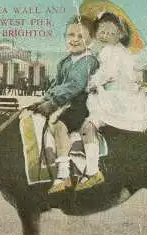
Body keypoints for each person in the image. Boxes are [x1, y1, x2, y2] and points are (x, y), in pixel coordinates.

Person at [75, 11, 147, 191]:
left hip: (116, 101)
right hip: (129, 99)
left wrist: (90, 83)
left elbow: (107, 74)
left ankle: (91, 171)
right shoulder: (122, 52)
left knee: (88, 127)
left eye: (110, 33)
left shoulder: (110, 52)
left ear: (120, 35)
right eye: (102, 32)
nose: (105, 36)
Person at [34, 15, 99, 194]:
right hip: (67, 102)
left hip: (83, 102)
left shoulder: (88, 61)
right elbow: (57, 84)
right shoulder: (65, 62)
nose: (75, 40)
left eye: (80, 36)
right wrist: (45, 98)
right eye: (71, 35)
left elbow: (75, 86)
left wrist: (53, 102)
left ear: (91, 40)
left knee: (61, 125)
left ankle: (64, 174)